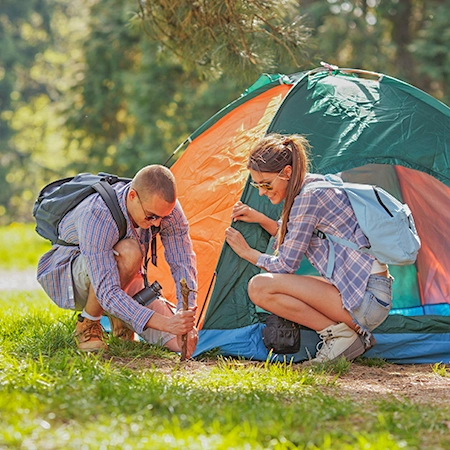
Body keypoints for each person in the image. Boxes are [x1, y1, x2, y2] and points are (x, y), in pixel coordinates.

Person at [225, 134, 393, 364]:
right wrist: (262, 219)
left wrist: (247, 253)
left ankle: (339, 336)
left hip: (367, 300)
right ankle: (347, 334)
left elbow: (286, 264)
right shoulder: (314, 184)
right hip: (372, 293)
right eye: (257, 185)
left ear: (286, 173)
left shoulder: (308, 198)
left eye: (265, 184)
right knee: (286, 283)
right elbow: (297, 235)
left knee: (260, 287)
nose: (262, 192)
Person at [37, 165, 198, 357]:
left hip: (123, 280)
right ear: (132, 196)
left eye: (162, 218)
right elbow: (107, 291)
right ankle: (88, 325)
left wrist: (185, 315)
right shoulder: (97, 213)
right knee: (130, 252)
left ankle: (121, 319)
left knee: (185, 346)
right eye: (151, 216)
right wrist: (166, 323)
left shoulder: (166, 211)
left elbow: (183, 263)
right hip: (76, 277)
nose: (157, 223)